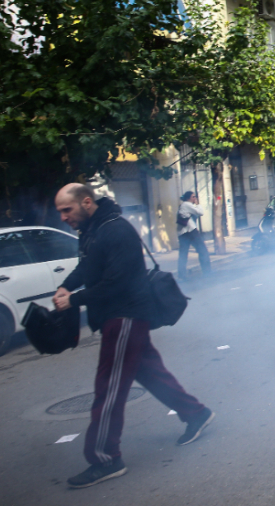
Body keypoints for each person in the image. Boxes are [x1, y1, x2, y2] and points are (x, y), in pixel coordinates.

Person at [52, 184, 214, 488]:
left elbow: (117, 284)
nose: (63, 217)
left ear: (87, 202)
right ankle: (196, 413)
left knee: (109, 388)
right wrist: (66, 285)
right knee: (151, 373)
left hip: (125, 315)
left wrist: (73, 300)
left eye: (67, 210)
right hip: (118, 315)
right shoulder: (93, 229)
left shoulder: (115, 230)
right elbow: (87, 266)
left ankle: (105, 458)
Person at [176, 191, 211, 281]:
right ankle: (207, 272)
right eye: (193, 197)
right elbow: (200, 212)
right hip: (190, 231)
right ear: (188, 198)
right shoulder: (187, 204)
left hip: (183, 233)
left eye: (195, 197)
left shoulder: (183, 205)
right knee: (203, 251)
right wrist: (198, 204)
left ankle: (182, 275)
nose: (195, 198)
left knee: (183, 254)